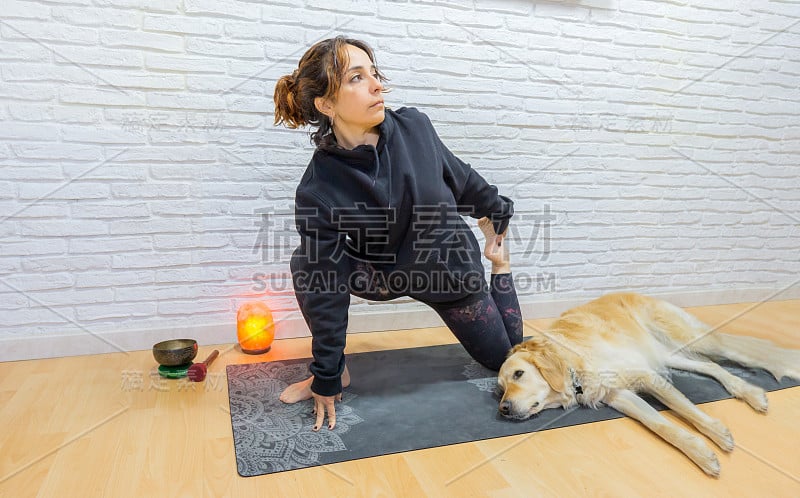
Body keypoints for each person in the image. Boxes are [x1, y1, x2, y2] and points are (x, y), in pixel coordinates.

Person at [273, 36, 523, 432]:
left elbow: (459, 178)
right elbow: (326, 286)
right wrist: (325, 373)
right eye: (357, 77)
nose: (377, 85)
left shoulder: (415, 127)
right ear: (326, 105)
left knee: (507, 358)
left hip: (446, 270)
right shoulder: (319, 188)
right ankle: (341, 372)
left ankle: (501, 268)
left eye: (374, 74)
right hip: (383, 272)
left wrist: (496, 210)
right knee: (308, 263)